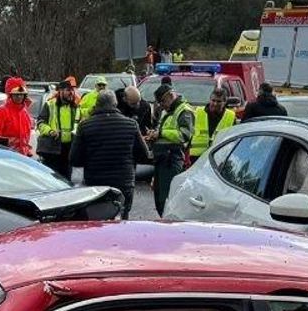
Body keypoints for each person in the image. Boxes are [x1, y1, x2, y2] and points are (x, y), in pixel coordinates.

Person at [70, 87, 150, 218]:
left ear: (97, 104)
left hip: (95, 182)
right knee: (122, 219)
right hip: (124, 182)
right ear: (116, 104)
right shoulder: (131, 124)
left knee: (97, 221)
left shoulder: (85, 126)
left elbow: (74, 159)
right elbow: (143, 155)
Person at [149, 85, 196, 215]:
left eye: (163, 101)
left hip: (172, 159)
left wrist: (161, 133)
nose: (161, 105)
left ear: (171, 95)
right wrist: (154, 135)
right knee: (159, 198)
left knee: (167, 199)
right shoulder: (168, 111)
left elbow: (184, 136)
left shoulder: (184, 111)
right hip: (161, 160)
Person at [37, 76, 82, 176]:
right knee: (52, 179)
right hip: (52, 149)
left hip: (69, 149)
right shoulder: (50, 104)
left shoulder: (76, 107)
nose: (71, 93)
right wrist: (50, 131)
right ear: (60, 91)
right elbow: (40, 123)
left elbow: (80, 124)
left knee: (66, 179)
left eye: (72, 90)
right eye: (68, 90)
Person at [0, 76, 35, 156]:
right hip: (6, 154)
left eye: (21, 94)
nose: (19, 97)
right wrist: (10, 142)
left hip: (22, 155)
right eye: (16, 95)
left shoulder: (24, 111)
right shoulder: (1, 111)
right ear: (10, 95)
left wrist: (26, 149)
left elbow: (25, 136)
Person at [191, 89, 235, 159]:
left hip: (218, 156)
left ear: (225, 102)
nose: (215, 104)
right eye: (213, 100)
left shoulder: (231, 116)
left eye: (219, 101)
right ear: (210, 100)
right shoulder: (197, 112)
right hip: (195, 156)